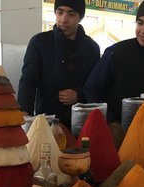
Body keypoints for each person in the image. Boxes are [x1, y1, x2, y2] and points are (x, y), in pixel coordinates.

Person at [17, 0, 100, 129]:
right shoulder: (40, 42)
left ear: (80, 17)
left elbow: (96, 84)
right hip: (46, 120)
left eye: (71, 14)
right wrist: (23, 111)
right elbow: (28, 79)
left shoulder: (92, 48)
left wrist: (79, 94)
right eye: (60, 12)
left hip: (80, 123)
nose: (63, 19)